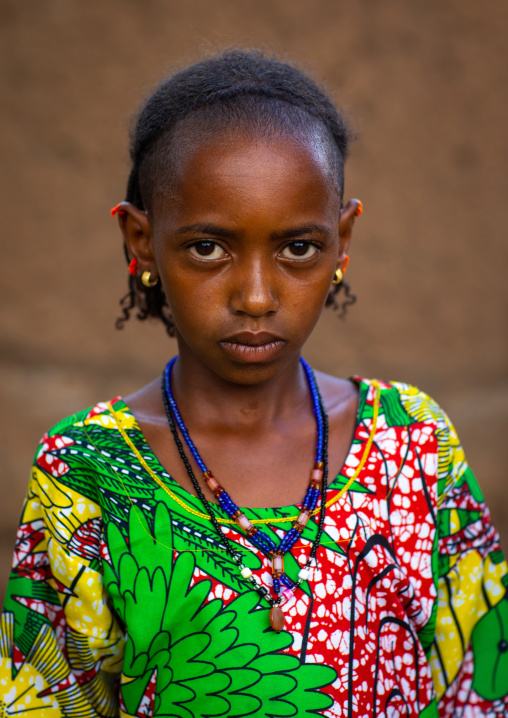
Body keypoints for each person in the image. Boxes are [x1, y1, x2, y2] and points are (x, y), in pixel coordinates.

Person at [1, 49, 507, 718]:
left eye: (298, 247)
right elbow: (49, 701)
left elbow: (479, 690)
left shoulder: (413, 442)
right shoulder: (86, 473)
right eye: (208, 248)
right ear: (141, 241)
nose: (257, 296)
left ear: (343, 240)